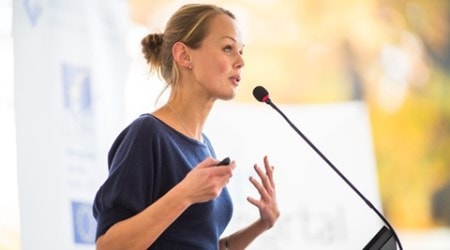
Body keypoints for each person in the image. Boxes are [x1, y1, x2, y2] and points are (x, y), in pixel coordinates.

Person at [93, 3, 280, 250]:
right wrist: (185, 194)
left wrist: (262, 224)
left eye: (241, 51)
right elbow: (109, 246)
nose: (240, 61)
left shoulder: (205, 147)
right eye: (228, 48)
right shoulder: (148, 134)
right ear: (184, 55)